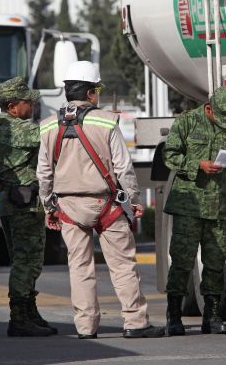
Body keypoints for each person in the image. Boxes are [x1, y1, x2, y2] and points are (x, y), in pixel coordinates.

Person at [37, 60, 164, 339]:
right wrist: (133, 200)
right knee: (122, 265)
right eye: (97, 90)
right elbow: (123, 167)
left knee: (79, 268)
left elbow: (44, 173)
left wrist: (49, 206)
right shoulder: (107, 121)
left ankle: (85, 327)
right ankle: (135, 322)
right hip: (107, 205)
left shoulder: (47, 126)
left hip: (68, 207)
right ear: (91, 93)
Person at [162, 85, 226, 336]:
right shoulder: (187, 121)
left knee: (216, 262)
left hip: (217, 206)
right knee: (182, 262)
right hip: (188, 206)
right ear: (209, 108)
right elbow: (169, 155)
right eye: (222, 116)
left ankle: (212, 316)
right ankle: (174, 316)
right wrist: (198, 164)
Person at [0, 77, 55, 337]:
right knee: (27, 261)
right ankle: (19, 317)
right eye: (28, 102)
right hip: (23, 203)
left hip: (10, 201)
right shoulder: (16, 129)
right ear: (13, 106)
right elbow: (50, 135)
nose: (32, 106)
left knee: (24, 259)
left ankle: (29, 311)